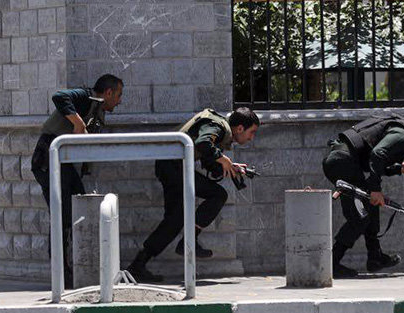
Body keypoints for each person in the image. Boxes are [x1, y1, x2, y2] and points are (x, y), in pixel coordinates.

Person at [128, 107, 261, 283]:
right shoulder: (219, 126)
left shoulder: (219, 129)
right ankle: (189, 240)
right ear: (240, 128)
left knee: (175, 220)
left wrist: (230, 167)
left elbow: (207, 158)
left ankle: (138, 264)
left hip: (171, 165)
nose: (251, 138)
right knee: (218, 195)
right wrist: (223, 159)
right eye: (252, 132)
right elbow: (203, 143)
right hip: (172, 166)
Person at [30, 75, 124, 288]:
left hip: (64, 164)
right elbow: (59, 96)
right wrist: (78, 123)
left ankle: (75, 268)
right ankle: (61, 272)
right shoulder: (85, 96)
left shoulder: (97, 109)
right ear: (108, 92)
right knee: (62, 215)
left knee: (78, 210)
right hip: (48, 159)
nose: (119, 101)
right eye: (118, 95)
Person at [322, 110, 404, 278]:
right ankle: (331, 264)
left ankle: (375, 257)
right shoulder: (403, 134)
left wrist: (399, 168)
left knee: (370, 206)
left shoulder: (397, 128)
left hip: (341, 160)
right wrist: (375, 189)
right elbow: (378, 154)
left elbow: (373, 159)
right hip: (343, 162)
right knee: (360, 217)